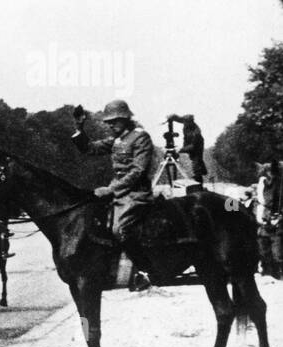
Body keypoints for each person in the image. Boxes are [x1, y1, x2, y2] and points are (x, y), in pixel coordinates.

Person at [71, 100, 155, 257]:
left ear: (125, 119)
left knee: (119, 229)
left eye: (114, 121)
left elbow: (138, 171)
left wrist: (110, 189)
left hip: (136, 194)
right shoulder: (116, 140)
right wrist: (79, 127)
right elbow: (90, 148)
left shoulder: (140, 137)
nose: (110, 125)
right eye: (108, 122)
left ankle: (140, 268)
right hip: (117, 193)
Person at [167, 114, 207, 183]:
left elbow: (193, 146)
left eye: (186, 122)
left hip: (197, 146)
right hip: (189, 143)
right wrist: (171, 117)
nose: (184, 124)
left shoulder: (196, 132)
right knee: (194, 160)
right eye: (184, 122)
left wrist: (181, 149)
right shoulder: (186, 121)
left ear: (190, 122)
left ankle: (198, 182)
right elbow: (178, 118)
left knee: (196, 162)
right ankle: (199, 175)